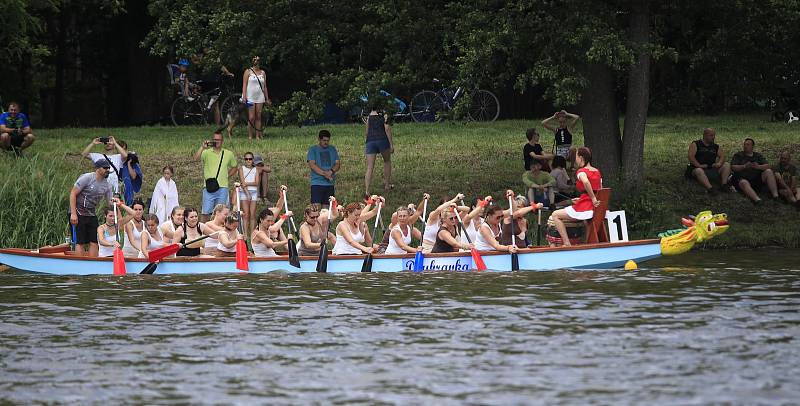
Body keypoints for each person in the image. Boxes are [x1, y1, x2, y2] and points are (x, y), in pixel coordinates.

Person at [549, 147, 602, 247]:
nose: (575, 159)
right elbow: (599, 188)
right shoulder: (597, 171)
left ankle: (567, 242)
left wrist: (592, 198)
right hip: (593, 206)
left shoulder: (581, 171)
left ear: (581, 158)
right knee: (586, 222)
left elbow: (586, 182)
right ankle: (585, 243)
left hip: (586, 206)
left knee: (555, 214)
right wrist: (591, 198)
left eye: (576, 156)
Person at [69, 160, 115, 257]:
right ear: (98, 169)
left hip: (91, 213)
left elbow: (110, 203)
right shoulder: (87, 178)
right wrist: (73, 214)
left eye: (108, 168)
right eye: (105, 168)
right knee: (80, 241)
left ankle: (93, 263)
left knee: (94, 240)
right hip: (77, 212)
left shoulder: (107, 185)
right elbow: (73, 193)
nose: (107, 170)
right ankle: (80, 265)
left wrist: (117, 203)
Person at [194, 131, 237, 222]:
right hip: (208, 186)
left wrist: (226, 175)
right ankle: (203, 232)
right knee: (206, 212)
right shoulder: (206, 152)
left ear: (222, 141)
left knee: (223, 212)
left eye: (218, 140)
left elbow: (234, 167)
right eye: (215, 139)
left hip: (223, 187)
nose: (216, 141)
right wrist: (202, 147)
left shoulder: (228, 153)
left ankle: (221, 231)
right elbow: (195, 159)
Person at [730, 138, 779, 204]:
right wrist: (744, 166)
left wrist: (758, 166)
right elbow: (733, 167)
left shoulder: (758, 156)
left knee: (769, 171)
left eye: (748, 144)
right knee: (744, 182)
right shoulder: (738, 155)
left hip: (756, 179)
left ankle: (776, 196)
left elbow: (768, 166)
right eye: (744, 144)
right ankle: (757, 200)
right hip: (743, 179)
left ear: (752, 146)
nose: (745, 146)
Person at [685, 128, 732, 193]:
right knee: (699, 171)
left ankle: (724, 184)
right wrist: (699, 165)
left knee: (727, 165)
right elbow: (691, 157)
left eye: (714, 136)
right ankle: (710, 188)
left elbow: (722, 156)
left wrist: (719, 163)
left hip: (711, 168)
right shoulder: (696, 144)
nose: (713, 137)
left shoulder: (715, 146)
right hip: (698, 168)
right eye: (711, 135)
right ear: (705, 135)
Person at [364, 109, 395, 194]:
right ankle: (387, 185)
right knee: (387, 161)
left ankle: (367, 191)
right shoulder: (384, 114)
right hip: (382, 140)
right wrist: (391, 144)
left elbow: (367, 131)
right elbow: (387, 128)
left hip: (370, 141)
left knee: (370, 167)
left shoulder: (369, 115)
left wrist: (367, 141)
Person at [241, 56, 272, 140]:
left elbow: (265, 86)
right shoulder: (248, 71)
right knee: (251, 117)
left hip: (260, 97)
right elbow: (244, 85)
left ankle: (258, 135)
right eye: (254, 59)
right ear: (252, 61)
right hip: (250, 96)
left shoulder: (263, 73)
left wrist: (267, 98)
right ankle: (250, 136)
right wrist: (244, 96)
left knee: (258, 116)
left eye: (258, 59)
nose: (256, 61)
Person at [307, 130, 340, 204]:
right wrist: (326, 174)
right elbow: (312, 165)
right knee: (315, 208)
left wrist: (331, 171)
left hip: (330, 184)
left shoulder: (332, 149)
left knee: (327, 210)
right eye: (324, 140)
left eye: (328, 140)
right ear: (319, 139)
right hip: (316, 183)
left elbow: (337, 164)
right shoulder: (313, 149)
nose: (326, 142)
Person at [237, 152, 262, 237]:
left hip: (254, 192)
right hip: (244, 192)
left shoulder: (256, 169)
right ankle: (245, 234)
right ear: (244, 160)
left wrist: (247, 183)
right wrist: (247, 193)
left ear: (253, 160)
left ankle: (252, 234)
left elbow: (257, 183)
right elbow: (242, 183)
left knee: (252, 214)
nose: (248, 161)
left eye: (250, 159)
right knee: (246, 214)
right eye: (246, 159)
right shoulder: (241, 168)